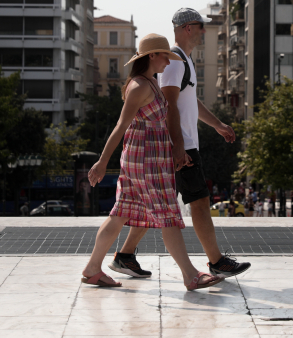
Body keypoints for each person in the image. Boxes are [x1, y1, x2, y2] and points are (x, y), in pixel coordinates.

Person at [109, 9, 251, 280]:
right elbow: (169, 104)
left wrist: (217, 125)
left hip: (179, 143)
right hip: (179, 145)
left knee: (153, 204)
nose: (204, 31)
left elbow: (189, 102)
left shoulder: (183, 60)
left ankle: (125, 255)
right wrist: (178, 147)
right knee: (198, 201)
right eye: (200, 26)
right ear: (187, 28)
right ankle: (216, 261)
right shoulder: (173, 61)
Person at [82, 33, 224, 291]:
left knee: (121, 214)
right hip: (146, 162)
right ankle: (190, 275)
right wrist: (102, 161)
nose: (168, 63)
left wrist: (175, 150)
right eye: (165, 57)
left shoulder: (149, 82)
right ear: (152, 56)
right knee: (168, 215)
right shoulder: (140, 86)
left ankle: (93, 268)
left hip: (147, 158)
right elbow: (120, 126)